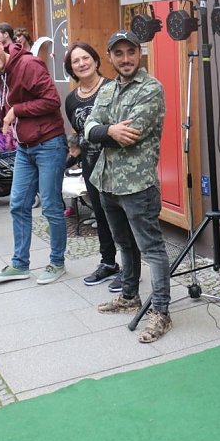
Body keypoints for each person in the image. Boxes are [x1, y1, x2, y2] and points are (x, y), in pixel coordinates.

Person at [85, 30, 171, 343]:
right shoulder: (108, 90)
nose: (125, 59)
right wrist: (106, 130)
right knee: (124, 244)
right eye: (118, 53)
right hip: (106, 181)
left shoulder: (151, 88)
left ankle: (161, 310)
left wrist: (102, 131)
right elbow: (88, 125)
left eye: (130, 52)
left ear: (140, 53)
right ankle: (130, 296)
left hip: (137, 186)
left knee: (152, 248)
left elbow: (130, 133)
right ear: (109, 57)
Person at [0, 29, 68, 285]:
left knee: (51, 205)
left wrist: (17, 111)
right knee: (18, 204)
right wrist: (8, 122)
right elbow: (6, 103)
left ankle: (57, 262)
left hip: (49, 143)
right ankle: (20, 264)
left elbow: (52, 100)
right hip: (25, 146)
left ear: (1, 44)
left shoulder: (28, 64)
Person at [63, 41, 130, 289]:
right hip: (91, 165)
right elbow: (77, 131)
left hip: (116, 164)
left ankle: (130, 269)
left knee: (121, 217)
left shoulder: (114, 88)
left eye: (85, 58)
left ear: (95, 59)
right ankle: (108, 262)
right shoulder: (71, 100)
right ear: (71, 69)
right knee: (100, 214)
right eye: (75, 61)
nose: (82, 63)